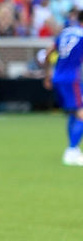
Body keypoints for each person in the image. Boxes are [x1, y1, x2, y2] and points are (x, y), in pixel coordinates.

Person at [44, 10, 83, 166]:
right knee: (81, 113)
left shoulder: (66, 32)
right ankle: (71, 151)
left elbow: (48, 53)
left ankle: (72, 149)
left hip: (58, 77)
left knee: (73, 112)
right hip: (72, 78)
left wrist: (47, 74)